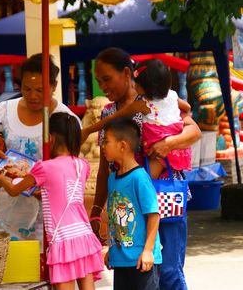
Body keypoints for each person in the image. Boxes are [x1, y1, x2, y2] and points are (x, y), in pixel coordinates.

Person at [89, 47, 201, 290]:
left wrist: (167, 144)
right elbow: (104, 169)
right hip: (127, 207)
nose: (103, 86)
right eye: (99, 81)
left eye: (107, 79)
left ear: (127, 74)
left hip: (163, 197)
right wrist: (97, 210)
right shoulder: (109, 112)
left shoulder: (157, 97)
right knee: (138, 275)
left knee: (169, 273)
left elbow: (194, 130)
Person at [0, 113, 103, 289]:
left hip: (62, 240)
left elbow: (14, 190)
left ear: (50, 137)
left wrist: (0, 180)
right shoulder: (83, 165)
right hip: (84, 236)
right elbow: (62, 192)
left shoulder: (44, 167)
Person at [0, 53, 81, 242]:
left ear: (54, 87)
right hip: (4, 206)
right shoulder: (5, 111)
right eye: (27, 89)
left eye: (40, 90)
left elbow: (72, 167)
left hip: (45, 212)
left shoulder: (65, 119)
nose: (33, 96)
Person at [82, 59, 192, 178]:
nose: (133, 85)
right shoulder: (172, 96)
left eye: (137, 84)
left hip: (156, 152)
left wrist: (89, 130)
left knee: (145, 184)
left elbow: (112, 118)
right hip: (174, 144)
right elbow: (187, 107)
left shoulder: (143, 104)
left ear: (146, 88)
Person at [102, 118, 162, 290]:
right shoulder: (112, 178)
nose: (103, 146)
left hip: (141, 260)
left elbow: (153, 215)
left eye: (106, 141)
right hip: (121, 259)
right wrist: (110, 249)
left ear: (123, 145)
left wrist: (148, 251)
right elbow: (113, 217)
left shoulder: (139, 178)